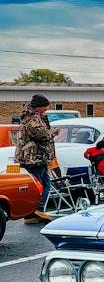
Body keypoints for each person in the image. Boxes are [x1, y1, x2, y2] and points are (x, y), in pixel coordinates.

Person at [15, 93, 60, 223]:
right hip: (34, 158)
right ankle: (34, 211)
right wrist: (54, 132)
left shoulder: (34, 117)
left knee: (45, 184)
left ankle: (35, 213)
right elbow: (41, 135)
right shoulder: (32, 119)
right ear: (38, 107)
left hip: (37, 158)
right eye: (44, 107)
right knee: (40, 186)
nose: (46, 109)